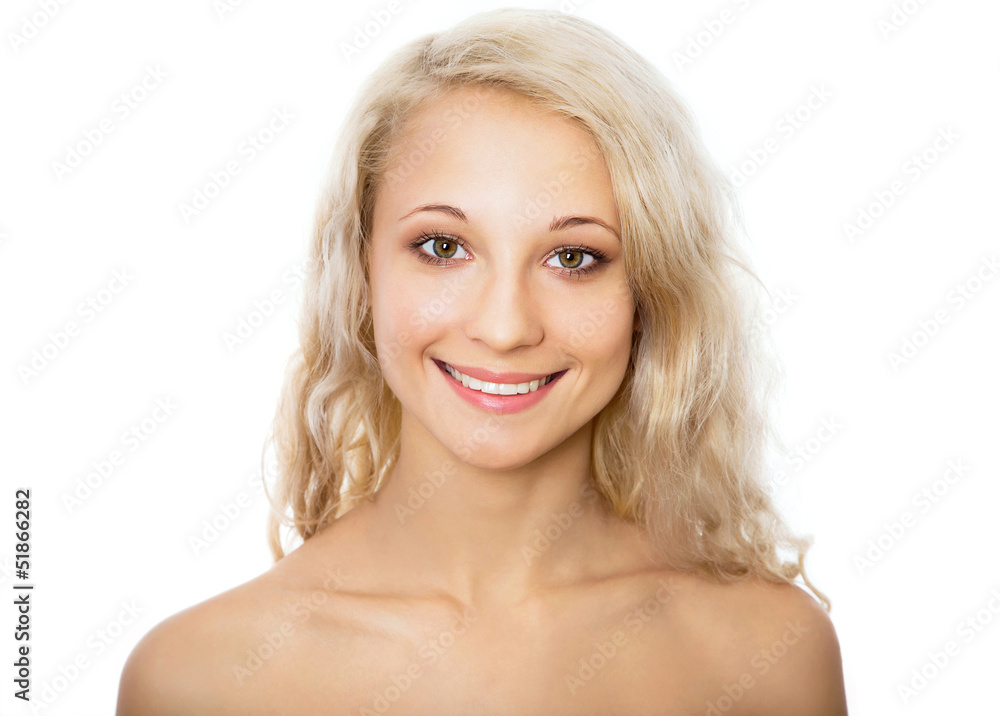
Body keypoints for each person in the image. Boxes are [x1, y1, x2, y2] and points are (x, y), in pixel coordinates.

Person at [117, 8, 848, 714]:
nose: (503, 328)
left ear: (649, 293)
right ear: (360, 272)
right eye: (443, 247)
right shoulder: (196, 681)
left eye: (573, 257)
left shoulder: (770, 654)